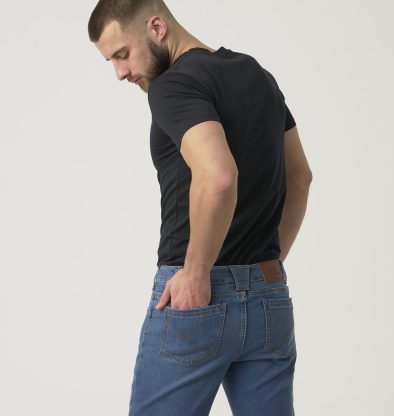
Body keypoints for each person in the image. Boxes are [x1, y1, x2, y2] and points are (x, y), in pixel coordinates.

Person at [88, 1, 313, 414]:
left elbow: (218, 175)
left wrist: (196, 273)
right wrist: (265, 269)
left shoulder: (172, 85)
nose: (120, 72)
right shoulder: (258, 76)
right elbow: (301, 177)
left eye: (122, 54)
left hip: (199, 299)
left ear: (156, 27)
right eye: (111, 61)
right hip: (269, 302)